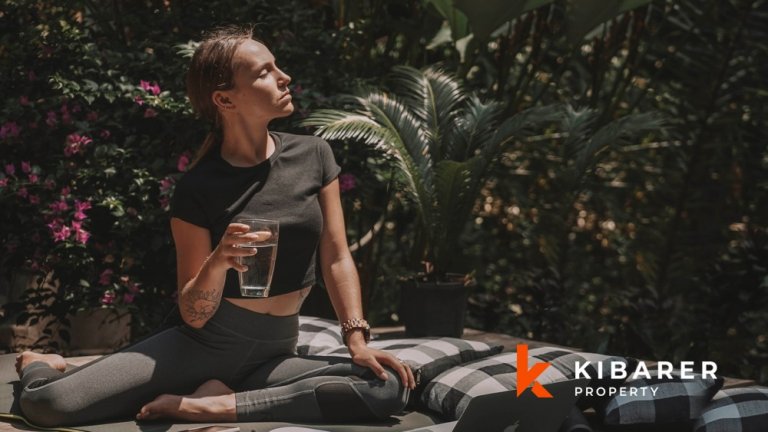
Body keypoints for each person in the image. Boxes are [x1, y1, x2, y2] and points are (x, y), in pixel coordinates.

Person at [15, 24, 415, 427]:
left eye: (276, 66)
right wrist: (218, 261)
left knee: (386, 386)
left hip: (277, 350)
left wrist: (356, 339)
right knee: (48, 403)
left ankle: (214, 403)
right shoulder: (198, 187)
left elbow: (337, 256)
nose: (284, 77)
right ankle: (39, 363)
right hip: (203, 344)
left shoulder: (314, 154)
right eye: (264, 72)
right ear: (224, 99)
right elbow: (193, 314)